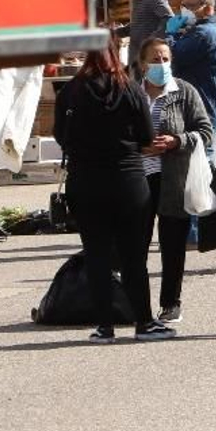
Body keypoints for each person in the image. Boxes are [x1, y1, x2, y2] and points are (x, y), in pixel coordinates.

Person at [55, 46, 171, 343]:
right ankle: (144, 321)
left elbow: (60, 135)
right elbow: (146, 136)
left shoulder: (71, 92)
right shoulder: (130, 89)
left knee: (96, 254)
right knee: (134, 256)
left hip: (85, 180)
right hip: (128, 178)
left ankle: (104, 326)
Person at [137, 38, 213, 324]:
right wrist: (139, 147)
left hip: (174, 179)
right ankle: (137, 304)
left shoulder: (184, 92)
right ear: (143, 64)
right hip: (139, 179)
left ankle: (171, 303)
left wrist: (177, 141)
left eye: (166, 59)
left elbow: (205, 130)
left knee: (172, 245)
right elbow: (115, 134)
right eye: (155, 60)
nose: (161, 65)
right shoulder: (133, 93)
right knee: (136, 245)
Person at [170, 0, 216, 146]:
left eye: (189, 6)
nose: (184, 11)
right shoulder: (201, 30)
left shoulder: (203, 34)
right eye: (183, 5)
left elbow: (173, 56)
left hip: (203, 107)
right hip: (203, 104)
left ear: (208, 8)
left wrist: (170, 35)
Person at [125, 0, 172, 79]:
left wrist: (150, 43)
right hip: (138, 55)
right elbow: (140, 23)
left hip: (147, 57)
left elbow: (168, 18)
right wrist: (117, 31)